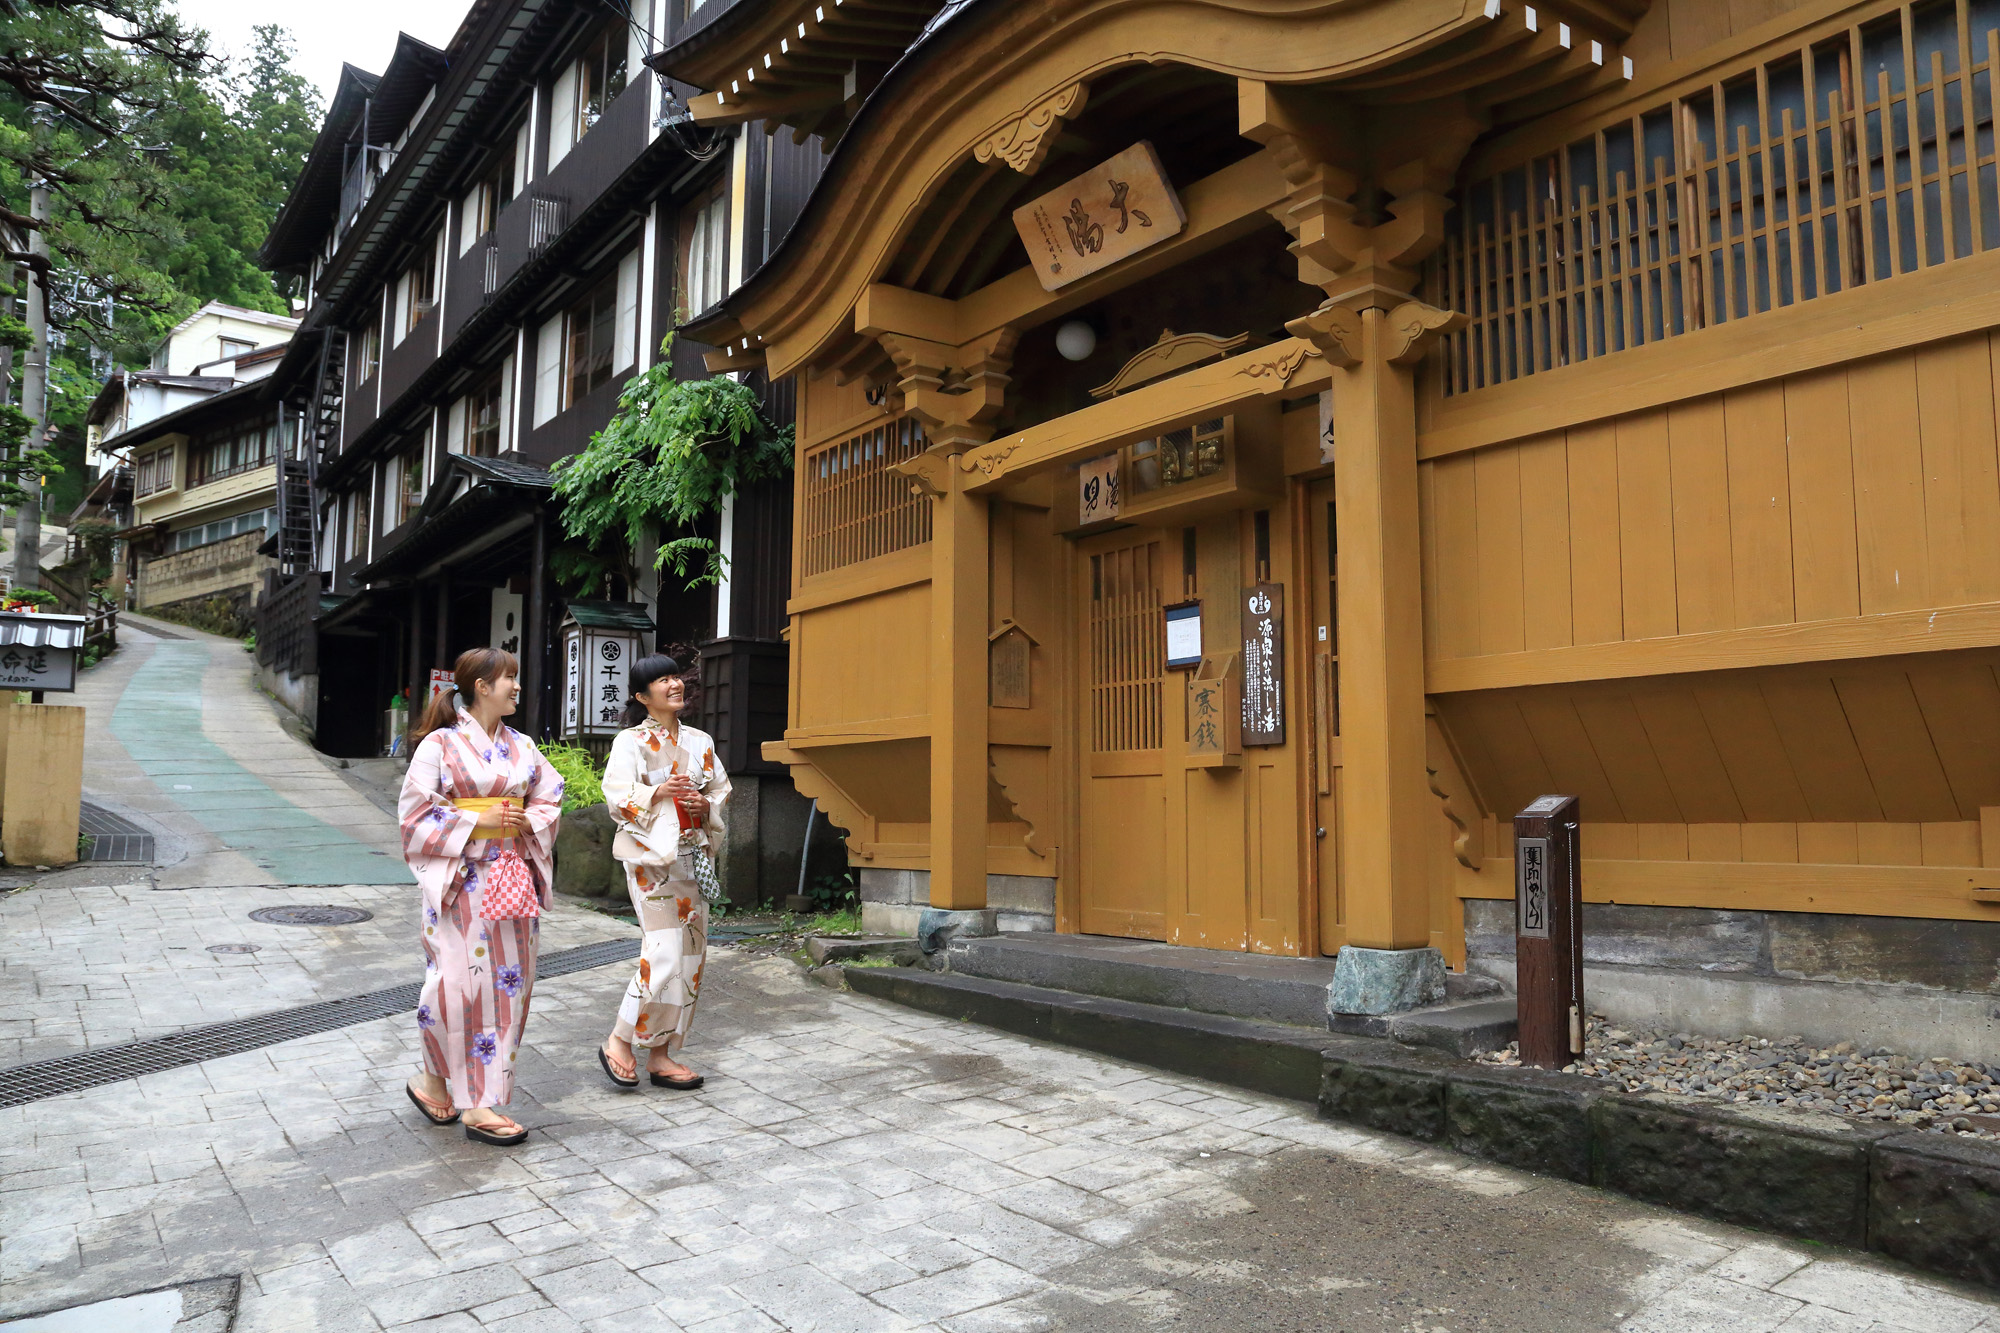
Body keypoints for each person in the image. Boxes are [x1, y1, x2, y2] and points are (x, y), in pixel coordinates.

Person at [397, 647, 564, 1145]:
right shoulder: (440, 746)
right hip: (459, 882)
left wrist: (522, 821)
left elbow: (549, 797)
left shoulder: (522, 745)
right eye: (507, 678)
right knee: (453, 987)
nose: (516, 685)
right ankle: (463, 1097)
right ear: (481, 687)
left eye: (516, 676)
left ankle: (453, 1091)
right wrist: (477, 820)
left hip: (511, 879)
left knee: (507, 989)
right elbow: (413, 814)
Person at [598, 653, 731, 1090]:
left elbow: (719, 790)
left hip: (692, 857)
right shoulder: (629, 742)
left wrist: (703, 805)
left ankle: (660, 1054)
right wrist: (658, 792)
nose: (674, 685)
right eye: (662, 680)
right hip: (652, 862)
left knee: (690, 958)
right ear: (641, 696)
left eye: (676, 676)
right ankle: (619, 1039)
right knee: (663, 952)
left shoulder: (700, 741)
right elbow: (617, 795)